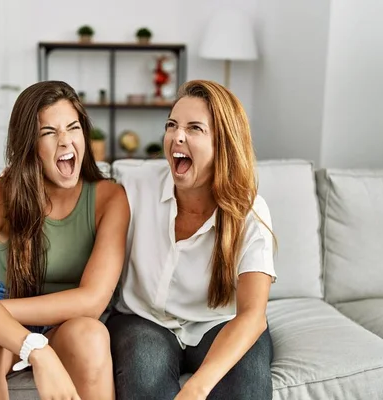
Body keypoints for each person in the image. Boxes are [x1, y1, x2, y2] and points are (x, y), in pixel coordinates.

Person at [0, 81, 129, 400]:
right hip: (9, 301)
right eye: (48, 132)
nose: (65, 140)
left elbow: (91, 301)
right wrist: (36, 350)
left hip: (70, 319)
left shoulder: (109, 197)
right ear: (29, 144)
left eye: (73, 127)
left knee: (90, 338)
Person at [106, 80, 277, 400]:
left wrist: (198, 388)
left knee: (247, 385)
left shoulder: (249, 212)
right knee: (144, 376)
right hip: (143, 319)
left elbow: (252, 315)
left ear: (223, 143)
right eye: (171, 125)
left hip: (219, 324)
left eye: (194, 128)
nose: (176, 136)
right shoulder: (133, 186)